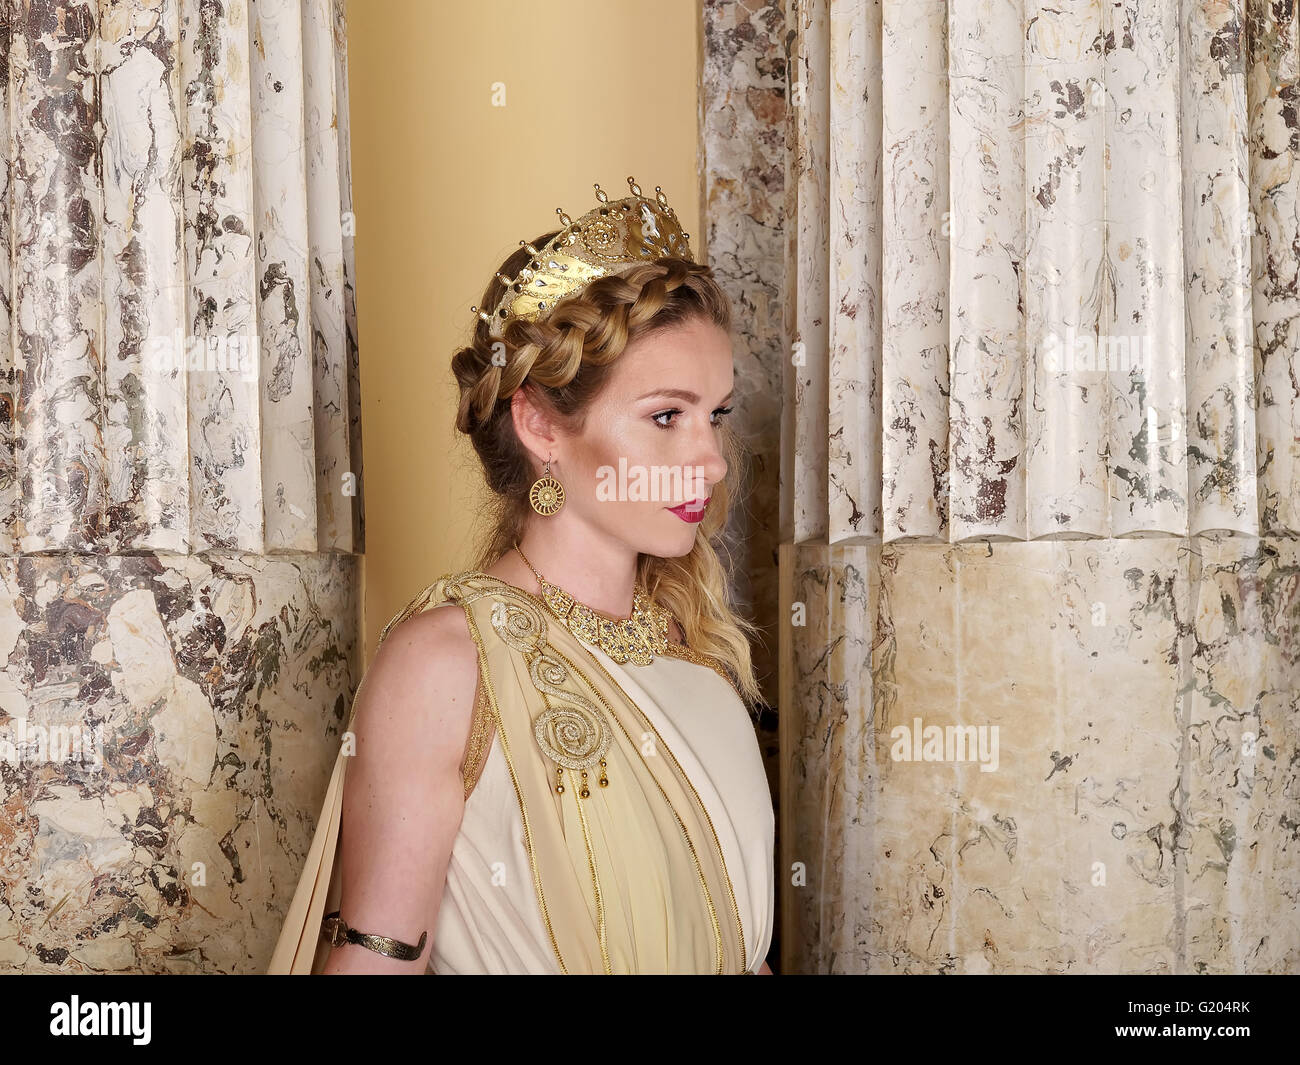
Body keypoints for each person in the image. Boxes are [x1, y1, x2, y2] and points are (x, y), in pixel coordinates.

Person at [268, 177, 775, 974]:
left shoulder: (698, 653)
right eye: (666, 416)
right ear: (540, 422)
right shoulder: (447, 664)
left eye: (715, 414)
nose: (709, 460)